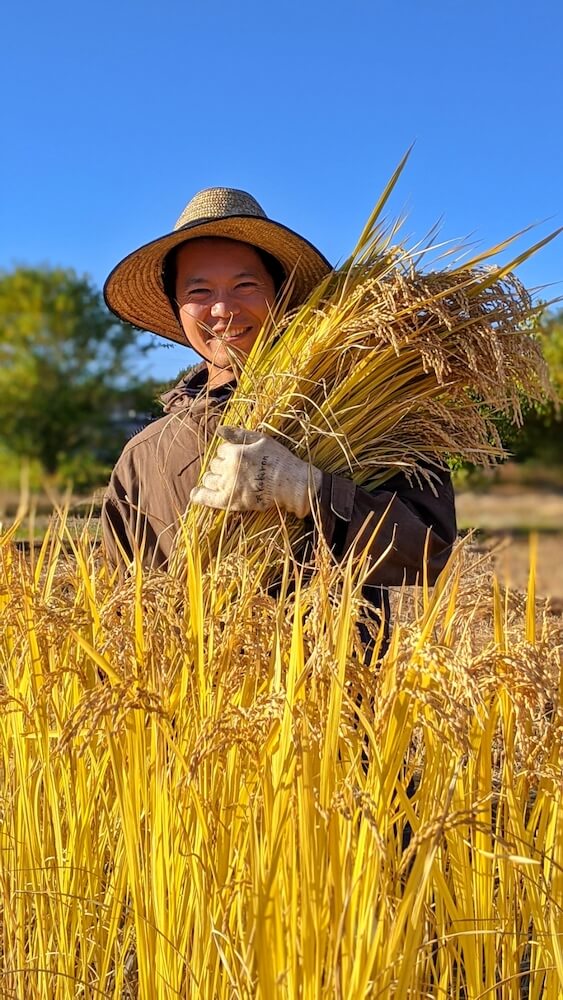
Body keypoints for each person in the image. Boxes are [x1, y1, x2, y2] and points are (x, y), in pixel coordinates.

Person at [102, 187, 456, 628]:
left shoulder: (360, 412)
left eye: (245, 285)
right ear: (177, 308)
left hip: (330, 690)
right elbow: (120, 614)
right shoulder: (144, 456)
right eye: (199, 291)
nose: (222, 309)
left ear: (281, 296)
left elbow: (429, 552)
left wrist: (309, 489)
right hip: (186, 692)